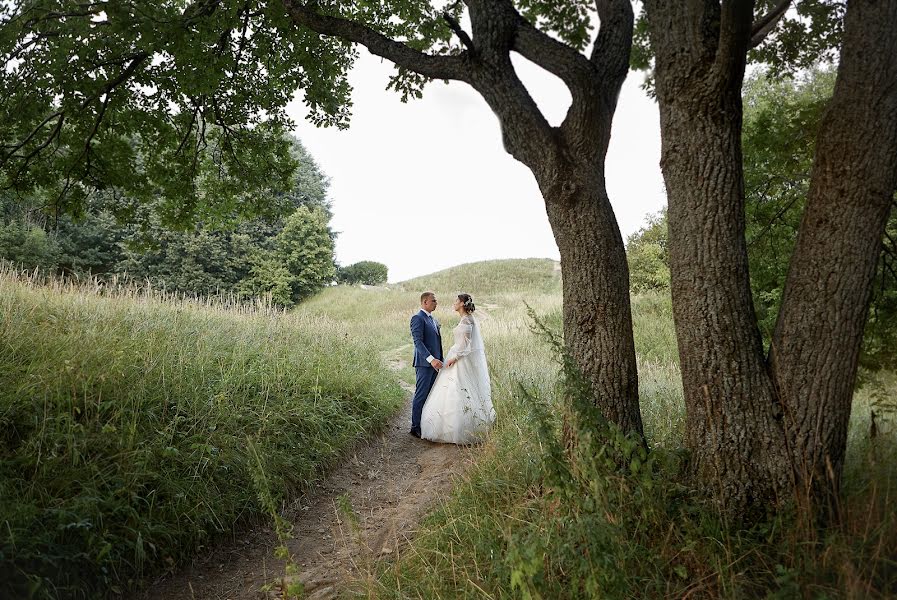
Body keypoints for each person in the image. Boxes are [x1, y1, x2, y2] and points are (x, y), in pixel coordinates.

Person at [420, 293, 494, 444]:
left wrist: (454, 358)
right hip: (456, 356)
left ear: (461, 304)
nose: (453, 303)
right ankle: (449, 428)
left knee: (458, 389)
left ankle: (459, 429)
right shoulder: (465, 319)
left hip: (460, 360)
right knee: (451, 391)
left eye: (456, 301)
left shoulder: (467, 320)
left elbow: (466, 346)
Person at [409, 291, 443, 438]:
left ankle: (426, 424)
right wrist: (431, 359)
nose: (436, 303)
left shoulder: (434, 320)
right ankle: (415, 427)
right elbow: (418, 342)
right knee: (421, 395)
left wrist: (439, 359)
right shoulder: (417, 318)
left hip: (436, 365)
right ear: (425, 302)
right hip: (424, 364)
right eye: (433, 301)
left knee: (431, 395)